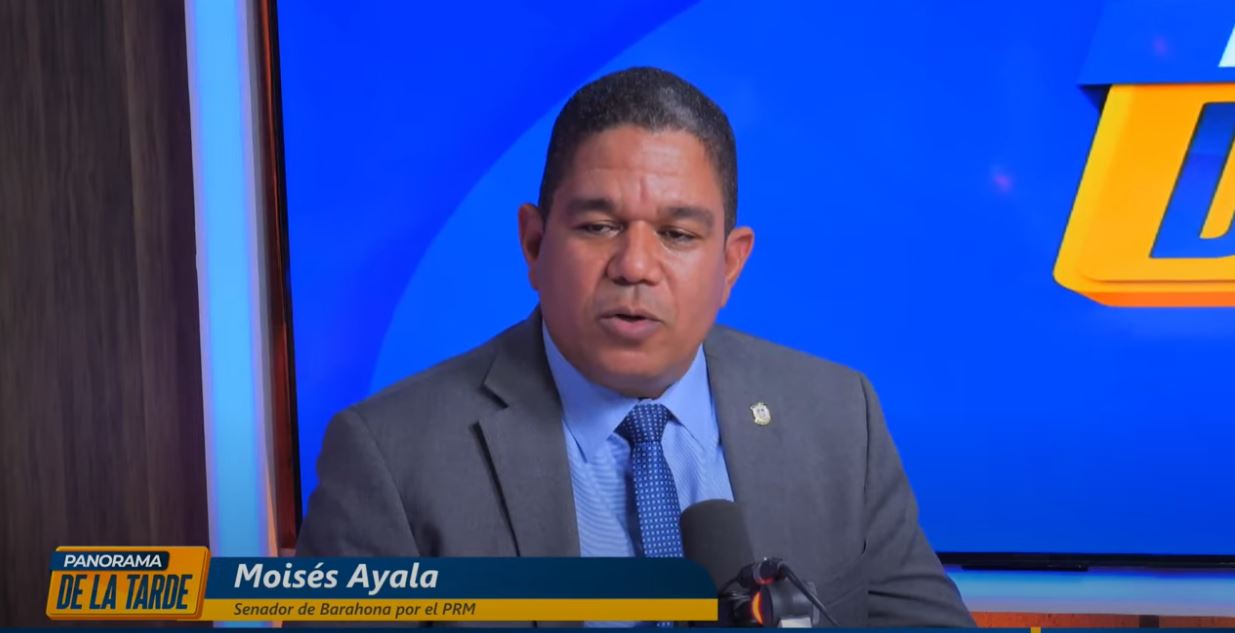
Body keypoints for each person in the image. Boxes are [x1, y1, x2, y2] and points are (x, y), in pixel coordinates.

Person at [297, 66, 974, 627]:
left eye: (678, 235)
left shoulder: (838, 417)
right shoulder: (389, 456)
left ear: (730, 264)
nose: (635, 266)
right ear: (534, 243)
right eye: (599, 226)